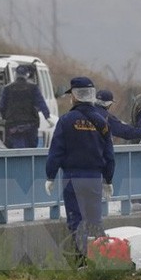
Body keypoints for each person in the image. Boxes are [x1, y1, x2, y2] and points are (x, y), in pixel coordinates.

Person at [45, 76, 115, 266]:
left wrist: (50, 175)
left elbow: (56, 151)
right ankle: (102, 260)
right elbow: (109, 153)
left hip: (72, 177)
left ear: (74, 96)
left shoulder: (66, 121)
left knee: (76, 221)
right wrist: (108, 179)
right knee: (95, 220)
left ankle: (81, 262)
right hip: (94, 178)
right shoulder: (102, 122)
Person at [0, 64, 54, 148]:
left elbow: (1, 106)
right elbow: (41, 103)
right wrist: (47, 117)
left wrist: (5, 117)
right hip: (30, 124)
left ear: (15, 74)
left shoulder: (7, 89)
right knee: (30, 150)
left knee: (14, 150)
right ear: (27, 75)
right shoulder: (33, 88)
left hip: (13, 124)